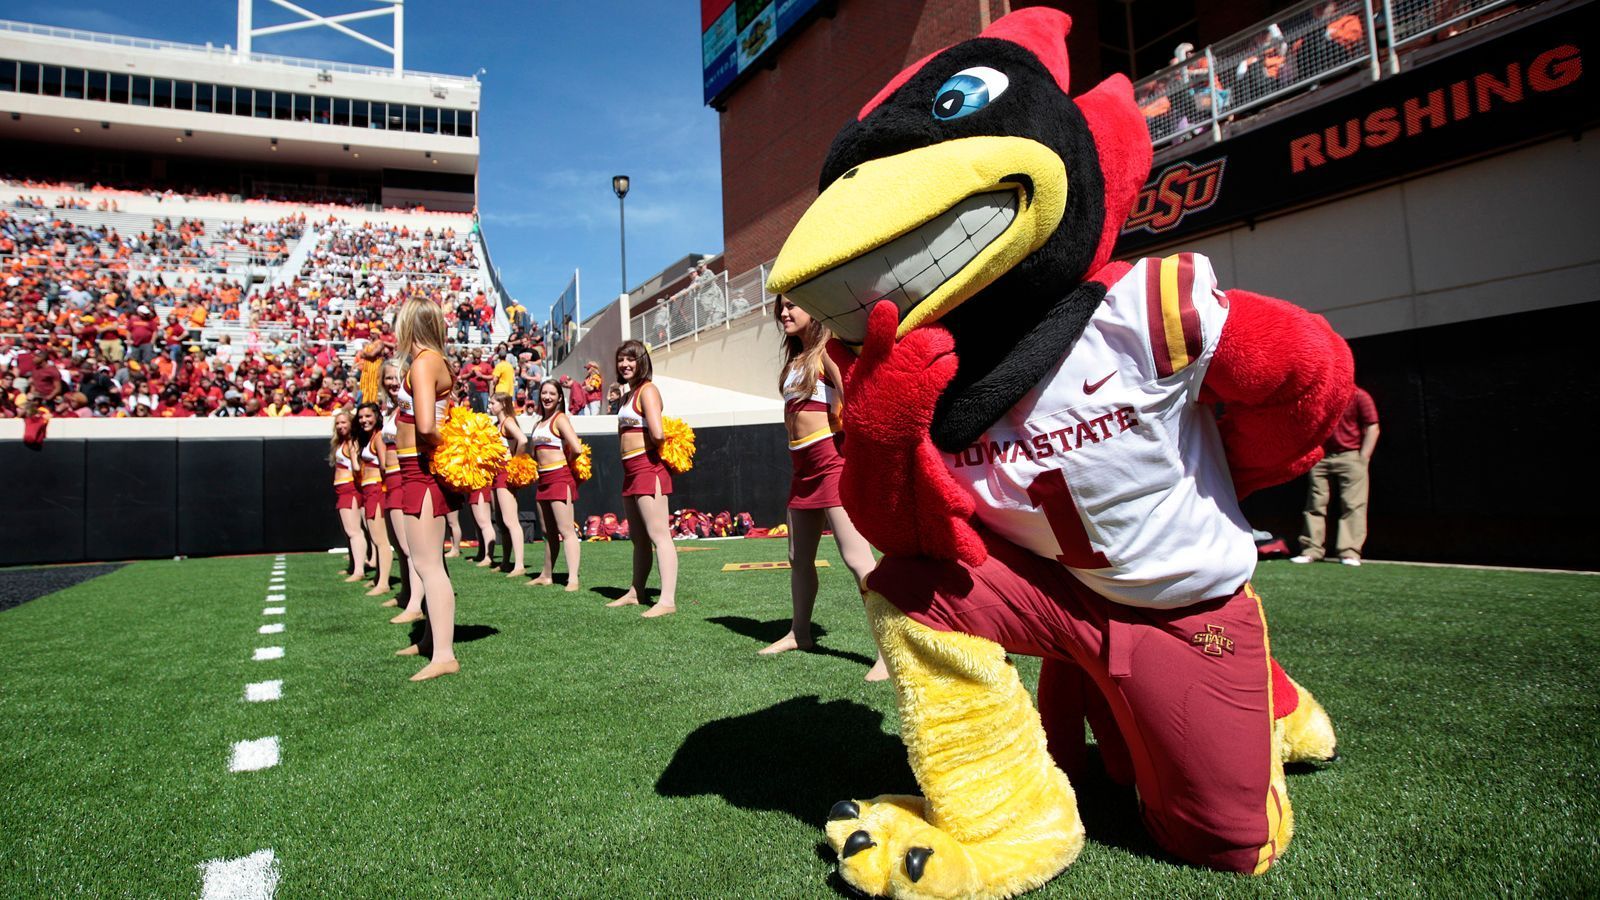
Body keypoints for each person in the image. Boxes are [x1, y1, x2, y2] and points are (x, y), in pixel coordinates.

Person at [762, 298, 886, 680]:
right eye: (780, 307)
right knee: (798, 557)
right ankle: (800, 632)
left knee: (856, 559)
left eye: (793, 306)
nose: (784, 312)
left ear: (815, 309)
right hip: (802, 471)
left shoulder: (828, 350)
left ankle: (888, 650)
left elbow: (857, 399)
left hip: (832, 464)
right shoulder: (793, 361)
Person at [393, 296, 462, 680]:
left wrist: (449, 451)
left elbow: (425, 426)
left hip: (420, 471)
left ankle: (445, 656)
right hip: (414, 470)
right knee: (427, 563)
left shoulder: (423, 363)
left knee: (427, 566)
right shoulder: (432, 361)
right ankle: (430, 641)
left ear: (410, 325)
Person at [608, 340, 679, 617]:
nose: (625, 364)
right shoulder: (628, 395)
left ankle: (667, 600)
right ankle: (636, 591)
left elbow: (659, 433)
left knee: (659, 535)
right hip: (630, 471)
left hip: (648, 467)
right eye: (621, 359)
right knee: (639, 538)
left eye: (631, 359)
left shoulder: (648, 390)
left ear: (642, 362)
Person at [1293, 384, 1379, 566]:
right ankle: (1311, 550)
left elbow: (1372, 426)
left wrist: (1363, 458)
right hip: (1321, 455)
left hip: (1351, 456)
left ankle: (1349, 553)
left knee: (1353, 504)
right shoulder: (1321, 395)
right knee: (1315, 503)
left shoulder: (1359, 396)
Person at [526, 379, 583, 592]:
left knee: (566, 530)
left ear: (560, 398)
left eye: (552, 393)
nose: (547, 397)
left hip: (559, 477)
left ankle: (573, 578)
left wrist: (564, 463)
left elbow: (576, 447)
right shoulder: (537, 423)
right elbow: (534, 453)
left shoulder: (560, 419)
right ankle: (546, 575)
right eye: (544, 393)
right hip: (543, 480)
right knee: (547, 531)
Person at [379, 361, 413, 611]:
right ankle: (405, 593)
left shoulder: (407, 407)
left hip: (403, 478)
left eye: (396, 378)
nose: (392, 383)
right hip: (389, 481)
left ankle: (415, 603)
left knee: (408, 546)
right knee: (399, 545)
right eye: (388, 378)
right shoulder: (390, 410)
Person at [355, 402, 394, 597]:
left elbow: (385, 466)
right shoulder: (369, 437)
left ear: (377, 416)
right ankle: (379, 577)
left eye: (368, 416)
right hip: (369, 491)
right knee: (375, 537)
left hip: (377, 490)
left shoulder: (378, 438)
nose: (364, 420)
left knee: (380, 540)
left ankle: (384, 583)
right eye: (361, 417)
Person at [488, 392, 528, 577]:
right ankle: (506, 561)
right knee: (502, 521)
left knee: (511, 520)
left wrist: (516, 462)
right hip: (497, 474)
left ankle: (518, 564)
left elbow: (523, 439)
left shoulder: (508, 422)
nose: (490, 405)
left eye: (493, 402)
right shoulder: (498, 424)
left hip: (505, 473)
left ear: (503, 404)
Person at [330, 409, 367, 584]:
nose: (340, 426)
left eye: (344, 422)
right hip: (342, 490)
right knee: (349, 532)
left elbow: (357, 467)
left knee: (354, 532)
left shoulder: (352, 443)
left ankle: (359, 570)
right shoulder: (341, 443)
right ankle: (354, 566)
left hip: (350, 489)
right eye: (337, 423)